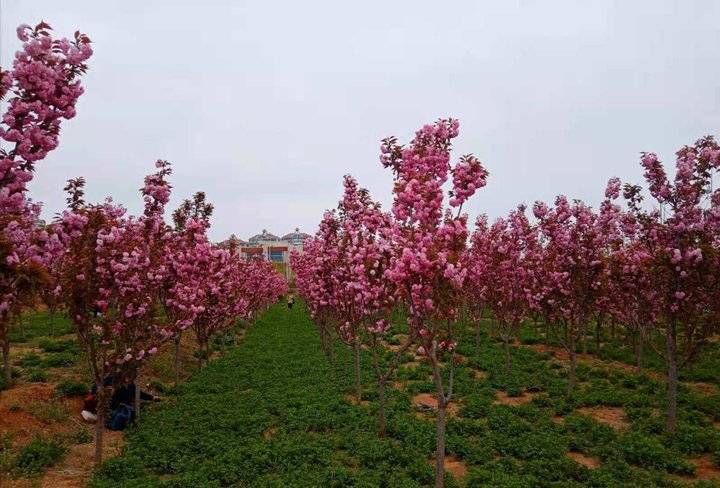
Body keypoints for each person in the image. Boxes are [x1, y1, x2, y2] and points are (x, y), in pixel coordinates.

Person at [81, 375, 156, 430]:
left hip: (121, 406)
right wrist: (106, 391)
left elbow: (138, 393)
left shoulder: (131, 385)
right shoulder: (111, 379)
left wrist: (152, 397)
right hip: (110, 406)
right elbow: (95, 388)